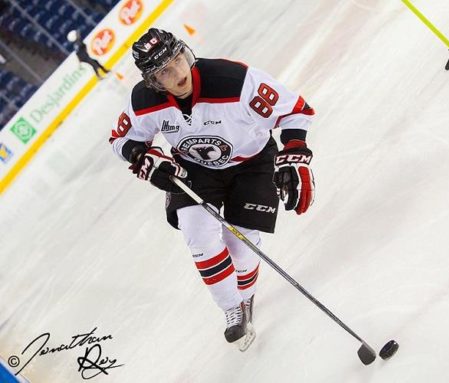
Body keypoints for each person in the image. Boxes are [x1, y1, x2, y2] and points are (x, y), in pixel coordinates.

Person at [109, 28, 315, 350]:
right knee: (198, 235)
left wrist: (295, 150)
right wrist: (142, 156)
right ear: (153, 81)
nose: (178, 72)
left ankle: (245, 300)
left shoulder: (234, 80)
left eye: (178, 59)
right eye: (165, 70)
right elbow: (121, 139)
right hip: (192, 168)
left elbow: (294, 110)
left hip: (253, 162)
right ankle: (232, 309)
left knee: (240, 243)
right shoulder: (143, 101)